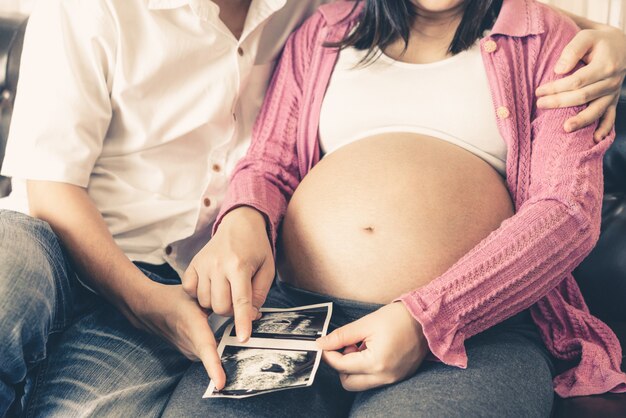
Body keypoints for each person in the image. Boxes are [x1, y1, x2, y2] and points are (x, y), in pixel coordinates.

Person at [0, 0, 623, 416]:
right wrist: (244, 216)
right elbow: (267, 165)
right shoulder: (325, 26)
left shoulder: (553, 43)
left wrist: (426, 317)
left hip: (469, 332)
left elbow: (567, 212)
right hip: (287, 316)